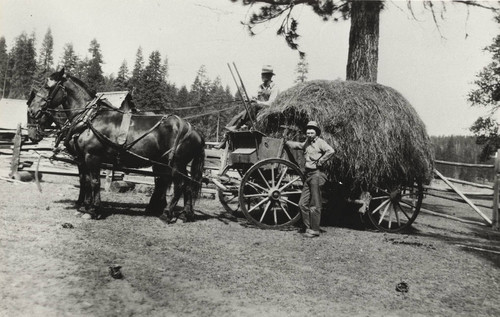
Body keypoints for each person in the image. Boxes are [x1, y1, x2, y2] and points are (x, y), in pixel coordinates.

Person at [286, 121, 334, 238]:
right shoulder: (307, 142)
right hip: (307, 175)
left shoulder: (320, 142)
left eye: (312, 132)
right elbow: (299, 146)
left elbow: (331, 151)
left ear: (316, 133)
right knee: (302, 204)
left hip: (316, 175)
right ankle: (308, 227)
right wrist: (287, 143)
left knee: (315, 204)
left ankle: (315, 229)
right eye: (308, 131)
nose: (309, 133)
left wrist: (320, 161)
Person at [215, 65, 279, 148]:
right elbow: (255, 97)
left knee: (253, 106)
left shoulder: (274, 88)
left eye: (264, 75)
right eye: (262, 74)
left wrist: (258, 102)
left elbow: (271, 103)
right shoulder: (260, 87)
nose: (262, 76)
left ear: (269, 76)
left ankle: (238, 126)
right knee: (237, 116)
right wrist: (249, 98)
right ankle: (226, 137)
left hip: (266, 111)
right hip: (255, 109)